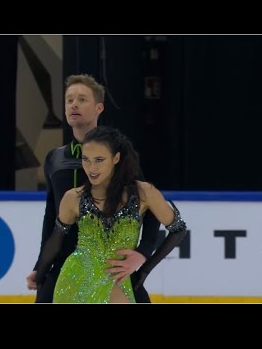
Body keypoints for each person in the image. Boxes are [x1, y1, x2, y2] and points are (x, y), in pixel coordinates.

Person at [27, 74, 160, 303]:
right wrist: (41, 266)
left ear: (99, 107)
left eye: (82, 99)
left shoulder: (119, 156)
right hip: (63, 266)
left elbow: (151, 209)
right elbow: (51, 217)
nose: (73, 105)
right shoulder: (55, 159)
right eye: (69, 100)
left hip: (109, 266)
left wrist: (143, 253)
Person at [34, 126, 187, 303]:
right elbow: (54, 242)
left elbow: (178, 229)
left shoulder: (143, 193)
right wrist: (39, 276)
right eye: (86, 159)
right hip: (75, 280)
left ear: (116, 158)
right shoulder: (73, 197)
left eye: (99, 160)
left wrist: (144, 268)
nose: (91, 168)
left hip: (117, 279)